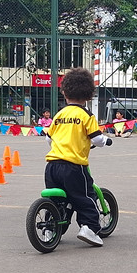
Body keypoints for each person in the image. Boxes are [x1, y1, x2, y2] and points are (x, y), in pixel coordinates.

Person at [44, 68, 112, 246]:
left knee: (56, 200)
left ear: (64, 92)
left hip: (52, 166)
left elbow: (48, 139)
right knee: (85, 197)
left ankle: (49, 229)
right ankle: (89, 228)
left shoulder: (59, 114)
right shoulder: (86, 115)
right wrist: (105, 140)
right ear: (89, 95)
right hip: (73, 167)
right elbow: (96, 139)